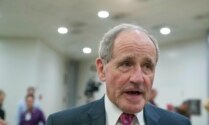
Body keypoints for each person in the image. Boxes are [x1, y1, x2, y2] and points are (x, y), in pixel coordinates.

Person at [46, 23, 191, 125]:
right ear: (102, 69)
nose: (138, 78)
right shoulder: (61, 122)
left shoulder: (179, 123)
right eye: (126, 64)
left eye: (147, 66)